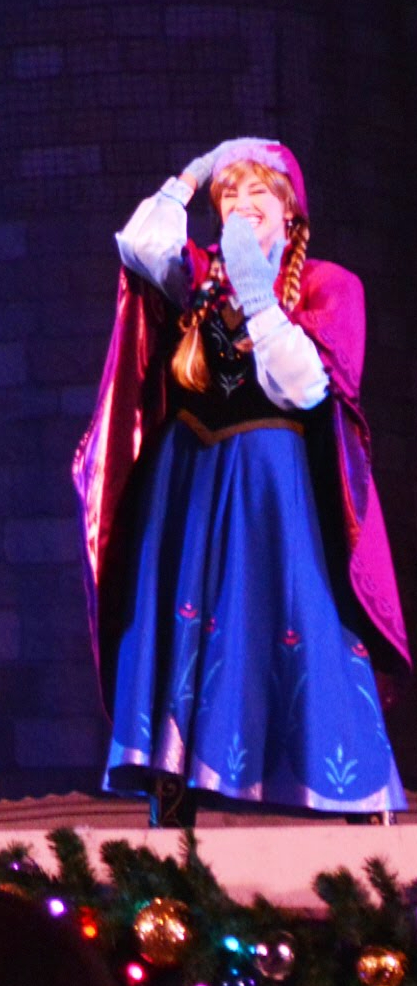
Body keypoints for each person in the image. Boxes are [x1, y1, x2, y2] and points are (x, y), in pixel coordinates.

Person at [75, 138, 409, 826]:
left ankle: (348, 793)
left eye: (260, 194)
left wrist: (260, 294)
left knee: (297, 614)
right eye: (230, 195)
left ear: (290, 215)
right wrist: (193, 176)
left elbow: (308, 388)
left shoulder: (329, 286)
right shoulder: (198, 281)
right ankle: (176, 782)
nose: (243, 206)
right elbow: (138, 244)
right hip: (191, 483)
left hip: (272, 485)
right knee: (186, 620)